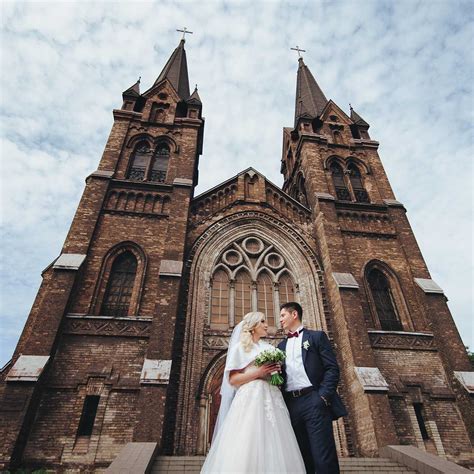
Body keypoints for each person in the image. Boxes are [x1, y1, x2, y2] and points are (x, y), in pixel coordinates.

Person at [201, 311, 305, 473]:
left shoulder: (268, 348)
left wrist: (274, 372)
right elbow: (233, 380)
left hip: (272, 397)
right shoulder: (240, 348)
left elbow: (271, 376)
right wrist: (259, 372)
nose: (266, 325)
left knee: (274, 440)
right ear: (252, 326)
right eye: (262, 321)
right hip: (250, 398)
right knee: (249, 439)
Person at [278, 302, 347, 474]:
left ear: (294, 315)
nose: (280, 320)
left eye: (282, 315)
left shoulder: (316, 337)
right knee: (301, 458)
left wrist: (322, 396)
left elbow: (332, 368)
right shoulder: (280, 347)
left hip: (314, 400)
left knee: (322, 456)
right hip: (291, 404)